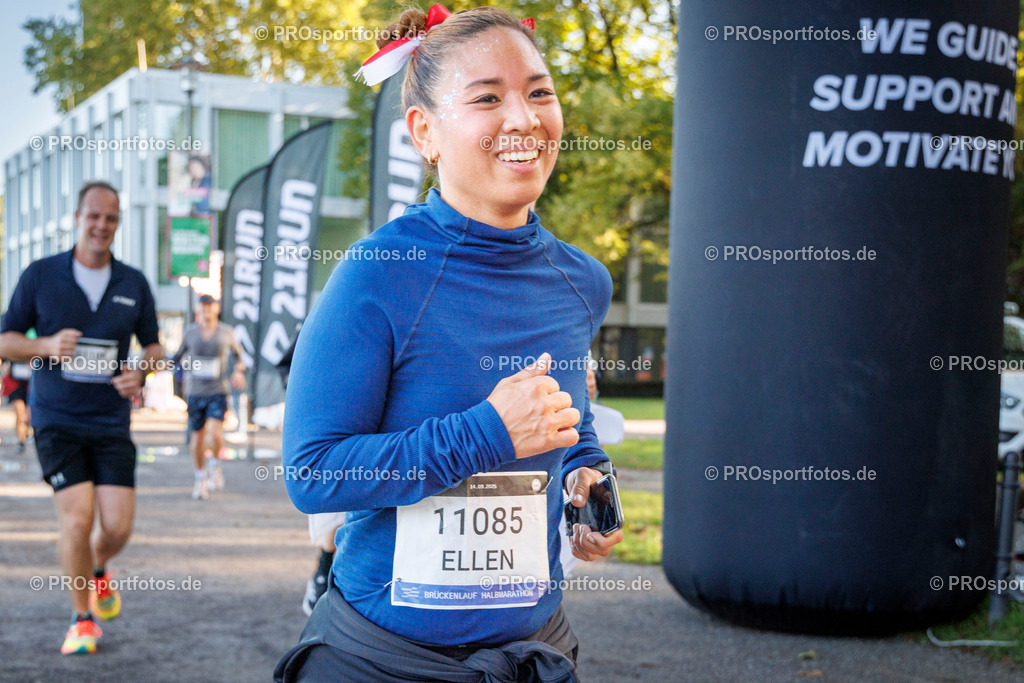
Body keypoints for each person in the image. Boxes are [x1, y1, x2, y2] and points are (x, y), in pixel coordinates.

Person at [275, 6, 621, 681]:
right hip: (383, 660)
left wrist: (588, 474)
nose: (523, 118)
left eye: (539, 92)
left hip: (533, 652)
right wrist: (486, 432)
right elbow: (312, 471)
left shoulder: (583, 281)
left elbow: (566, 421)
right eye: (488, 97)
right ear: (425, 132)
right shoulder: (378, 274)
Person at [0, 180, 163, 655]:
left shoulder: (132, 282)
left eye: (111, 218)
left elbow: (154, 347)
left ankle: (96, 568)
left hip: (111, 421)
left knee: (116, 528)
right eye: (94, 216)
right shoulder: (41, 275)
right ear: (78, 217)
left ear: (117, 223)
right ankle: (82, 618)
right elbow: (6, 339)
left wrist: (141, 369)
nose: (101, 226)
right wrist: (46, 346)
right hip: (57, 418)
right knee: (77, 518)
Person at [171, 294, 247, 500]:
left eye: (209, 306)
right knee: (196, 440)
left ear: (217, 308)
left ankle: (215, 464)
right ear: (198, 309)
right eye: (202, 307)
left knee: (214, 434)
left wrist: (238, 371)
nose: (205, 310)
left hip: (217, 391)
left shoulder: (226, 332)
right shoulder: (190, 333)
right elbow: (176, 359)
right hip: (195, 392)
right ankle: (200, 478)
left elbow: (240, 358)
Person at [2, 359, 32, 452]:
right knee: (20, 413)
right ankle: (21, 441)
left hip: (29, 386)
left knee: (29, 414)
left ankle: (26, 429)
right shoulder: (12, 348)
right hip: (15, 386)